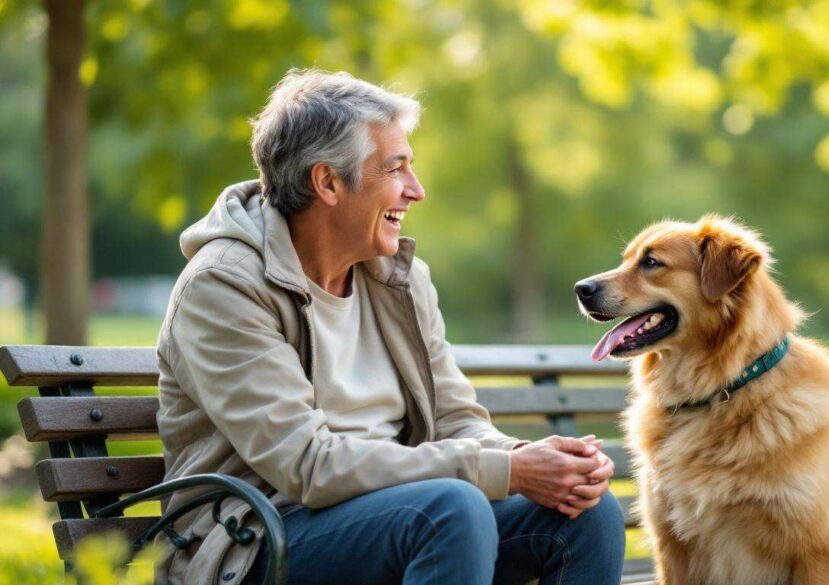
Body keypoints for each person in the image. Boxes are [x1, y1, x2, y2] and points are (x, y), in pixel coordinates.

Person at [155, 69, 625, 585]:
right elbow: (308, 465)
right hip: (255, 537)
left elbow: (454, 420)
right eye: (396, 168)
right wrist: (503, 471)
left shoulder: (400, 279)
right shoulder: (224, 286)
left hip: (399, 514)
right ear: (328, 182)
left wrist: (534, 460)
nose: (416, 191)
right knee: (450, 509)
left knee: (585, 512)